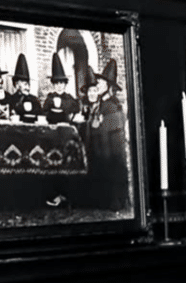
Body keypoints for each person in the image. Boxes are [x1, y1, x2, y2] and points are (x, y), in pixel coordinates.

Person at [80, 62, 129, 211]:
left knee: (113, 169)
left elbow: (108, 127)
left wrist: (97, 125)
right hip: (101, 148)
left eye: (102, 83)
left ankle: (116, 200)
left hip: (112, 149)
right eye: (98, 82)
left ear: (109, 86)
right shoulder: (101, 104)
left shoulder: (113, 105)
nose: (99, 85)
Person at [42, 52, 81, 124]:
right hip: (52, 127)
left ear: (65, 84)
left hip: (66, 128)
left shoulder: (69, 98)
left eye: (61, 83)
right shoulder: (50, 98)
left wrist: (62, 104)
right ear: (53, 85)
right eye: (56, 83)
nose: (59, 86)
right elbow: (44, 112)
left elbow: (76, 110)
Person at [9, 54, 40, 123]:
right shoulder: (11, 100)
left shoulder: (35, 100)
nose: (28, 87)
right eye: (25, 84)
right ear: (17, 85)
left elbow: (40, 116)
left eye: (29, 84)